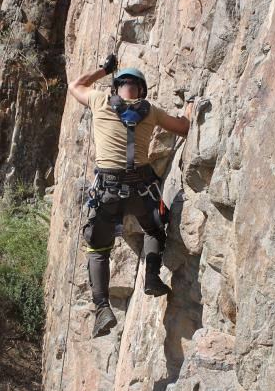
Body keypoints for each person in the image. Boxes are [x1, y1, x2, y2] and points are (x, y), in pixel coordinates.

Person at [68, 54, 193, 338]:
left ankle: (102, 308)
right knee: (155, 226)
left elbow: (75, 84)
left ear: (116, 88)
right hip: (141, 192)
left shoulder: (100, 100)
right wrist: (188, 108)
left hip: (106, 193)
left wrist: (103, 69)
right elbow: (183, 128)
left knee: (99, 248)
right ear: (142, 90)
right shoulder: (151, 112)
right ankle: (151, 276)